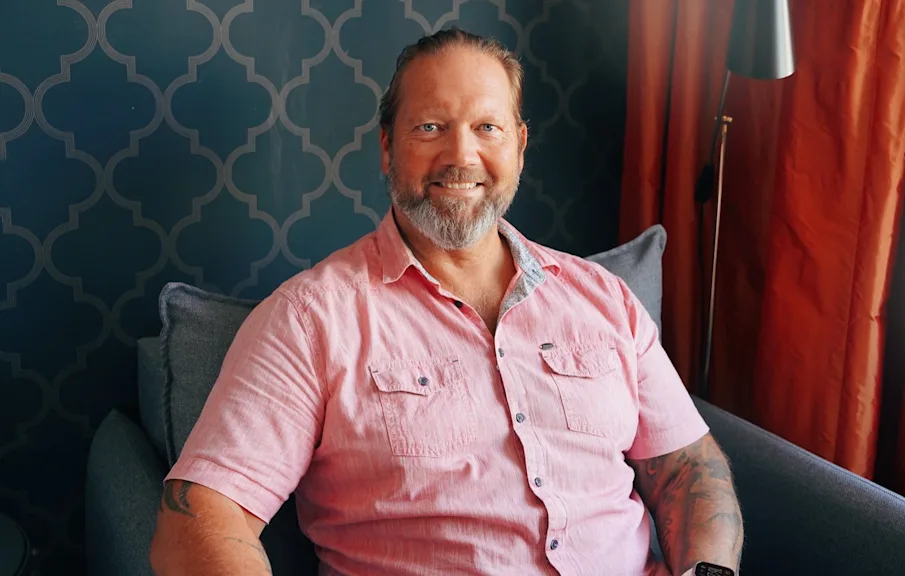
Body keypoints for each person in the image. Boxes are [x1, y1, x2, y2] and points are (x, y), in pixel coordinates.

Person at [148, 27, 743, 576]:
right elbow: (201, 515)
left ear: (520, 146)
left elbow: (691, 470)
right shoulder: (310, 320)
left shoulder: (603, 298)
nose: (461, 156)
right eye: (430, 127)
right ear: (387, 148)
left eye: (487, 127)